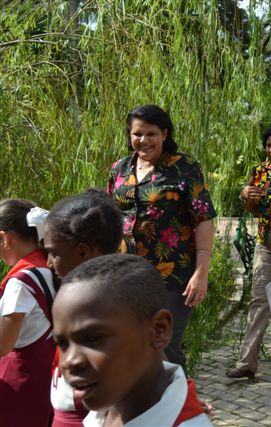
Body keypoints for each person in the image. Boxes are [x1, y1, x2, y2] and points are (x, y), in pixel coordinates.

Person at [107, 105, 216, 371]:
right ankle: (141, 406)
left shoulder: (184, 168)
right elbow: (108, 213)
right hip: (126, 274)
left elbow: (203, 219)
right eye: (137, 134)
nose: (143, 140)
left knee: (165, 345)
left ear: (165, 133)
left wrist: (201, 273)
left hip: (173, 276)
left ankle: (180, 406)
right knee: (131, 342)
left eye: (151, 134)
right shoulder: (120, 168)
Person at [52, 254, 211, 426]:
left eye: (93, 339)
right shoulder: (105, 410)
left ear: (159, 330)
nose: (69, 361)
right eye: (63, 344)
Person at [44, 190, 123, 426]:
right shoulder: (90, 300)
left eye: (52, 253)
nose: (48, 263)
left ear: (82, 252)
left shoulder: (110, 309)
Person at [227, 124, 271, 379]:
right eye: (268, 145)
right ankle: (247, 362)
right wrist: (246, 197)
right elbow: (255, 211)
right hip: (266, 246)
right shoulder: (261, 172)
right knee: (258, 301)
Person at [0, 199, 56, 427]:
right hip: (46, 375)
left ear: (5, 238)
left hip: (19, 380)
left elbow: (3, 344)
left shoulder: (20, 283)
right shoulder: (50, 266)